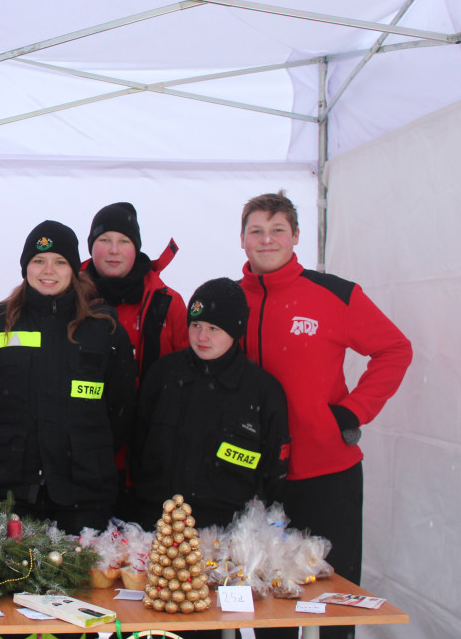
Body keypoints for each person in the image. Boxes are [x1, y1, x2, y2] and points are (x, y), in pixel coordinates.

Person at [239, 192, 412, 639]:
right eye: (256, 230)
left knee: (334, 599)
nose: (267, 239)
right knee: (267, 603)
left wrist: (353, 410)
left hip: (327, 472)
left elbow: (394, 349)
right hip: (256, 478)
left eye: (278, 230)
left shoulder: (335, 293)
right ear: (242, 239)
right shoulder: (229, 302)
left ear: (296, 237)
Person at [0, 220, 137, 534]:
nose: (48, 270)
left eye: (60, 262)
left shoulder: (104, 329)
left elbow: (121, 410)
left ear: (74, 269)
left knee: (84, 582)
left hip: (84, 494)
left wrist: (83, 448)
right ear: (25, 267)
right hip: (10, 492)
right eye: (38, 261)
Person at [131, 278, 289, 531]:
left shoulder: (263, 391)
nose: (201, 336)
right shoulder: (163, 374)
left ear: (235, 331)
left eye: (214, 328)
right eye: (195, 325)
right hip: (155, 523)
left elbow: (273, 473)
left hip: (225, 532)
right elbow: (137, 446)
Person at [84, 202, 189, 521]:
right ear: (91, 247)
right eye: (104, 240)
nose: (113, 250)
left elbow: (189, 376)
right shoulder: (67, 297)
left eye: (124, 241)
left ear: (136, 247)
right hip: (83, 458)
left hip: (148, 460)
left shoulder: (167, 302)